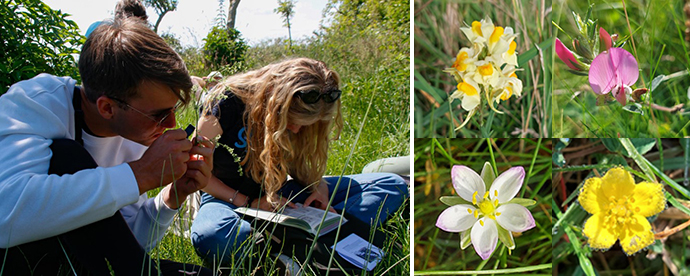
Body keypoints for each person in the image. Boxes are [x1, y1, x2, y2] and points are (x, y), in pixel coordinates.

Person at [0, 17, 213, 275]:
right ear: (107, 108)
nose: (171, 123)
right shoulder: (37, 103)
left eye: (174, 110)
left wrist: (173, 195)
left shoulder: (136, 133)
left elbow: (123, 247)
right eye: (159, 114)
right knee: (67, 156)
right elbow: (5, 215)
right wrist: (140, 174)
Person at [190, 57, 409, 266]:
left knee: (391, 184)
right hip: (227, 197)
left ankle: (300, 237)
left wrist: (320, 189)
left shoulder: (308, 112)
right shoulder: (224, 101)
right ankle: (324, 240)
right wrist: (248, 203)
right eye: (292, 121)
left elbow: (302, 169)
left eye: (305, 125)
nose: (295, 130)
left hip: (283, 192)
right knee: (214, 236)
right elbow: (195, 171)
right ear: (275, 102)